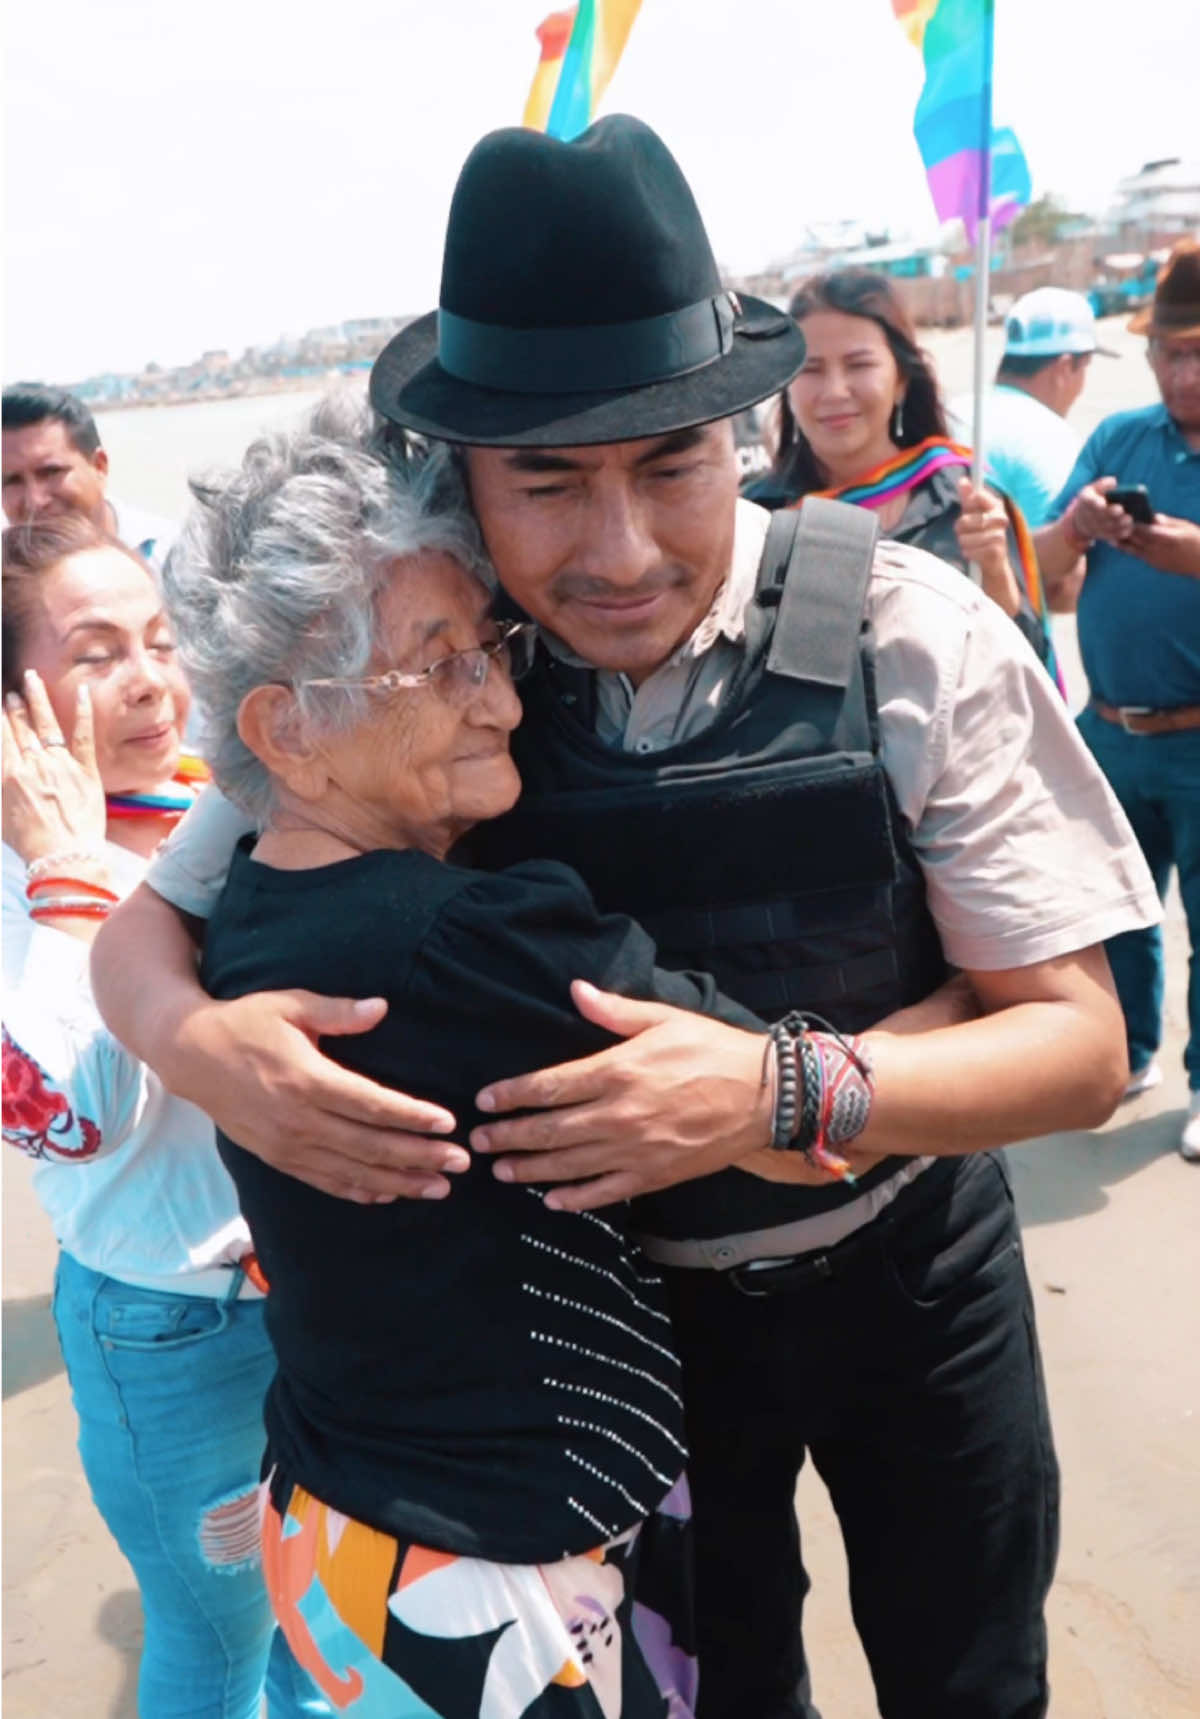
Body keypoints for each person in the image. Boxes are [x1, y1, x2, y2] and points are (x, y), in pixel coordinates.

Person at [92, 118, 1158, 1719]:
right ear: (466, 482)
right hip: (644, 1341)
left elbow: (1082, 1043)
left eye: (670, 466)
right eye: (548, 482)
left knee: (971, 1676)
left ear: (744, 429)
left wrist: (774, 1089)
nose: (619, 550)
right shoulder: (420, 681)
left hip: (908, 1277)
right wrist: (204, 1045)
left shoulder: (905, 630)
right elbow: (144, 931)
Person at [157, 404, 769, 1715]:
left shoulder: (246, 905)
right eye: (442, 664)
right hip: (508, 1569)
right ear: (286, 730)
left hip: (337, 1522)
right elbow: (773, 1091)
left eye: (490, 646)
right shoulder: (481, 936)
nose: (501, 696)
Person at [0, 514, 327, 1718]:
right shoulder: (24, 878)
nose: (149, 681)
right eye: (95, 654)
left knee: (317, 1622)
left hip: (314, 1300)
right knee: (213, 1646)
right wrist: (63, 866)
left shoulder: (211, 806)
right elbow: (75, 1117)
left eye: (159, 639)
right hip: (168, 1333)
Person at [1034, 238, 1200, 1162]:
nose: (1183, 372)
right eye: (1169, 353)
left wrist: (1191, 553)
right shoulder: (1117, 438)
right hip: (1112, 729)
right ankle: (1131, 1051)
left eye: (1199, 352)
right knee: (1120, 914)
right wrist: (1077, 525)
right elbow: (1045, 568)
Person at [747, 268, 1062, 678]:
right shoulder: (755, 519)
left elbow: (1026, 674)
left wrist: (997, 573)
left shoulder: (966, 499)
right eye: (811, 370)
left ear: (900, 380)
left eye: (859, 365)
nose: (834, 391)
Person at [947, 285, 1114, 529]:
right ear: (1065, 367)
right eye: (1085, 368)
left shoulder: (953, 411)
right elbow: (1054, 559)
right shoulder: (1050, 438)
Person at [2, 384, 175, 570]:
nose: (35, 501)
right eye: (12, 481)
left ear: (100, 466)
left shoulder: (177, 559)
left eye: (51, 472)